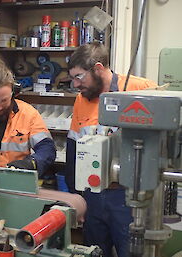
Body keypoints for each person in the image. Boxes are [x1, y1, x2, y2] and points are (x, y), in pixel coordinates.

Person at [65, 42, 157, 257]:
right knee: (94, 251)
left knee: (132, 251)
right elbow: (73, 146)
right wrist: (75, 195)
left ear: (98, 68)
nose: (75, 84)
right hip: (93, 194)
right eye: (72, 78)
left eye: (79, 77)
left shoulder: (142, 89)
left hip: (128, 196)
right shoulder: (82, 99)